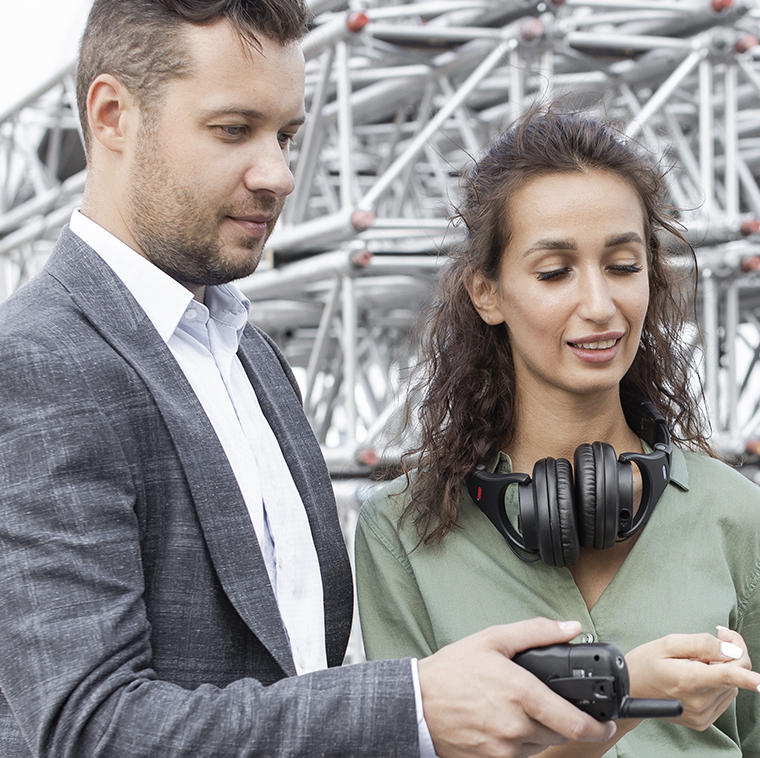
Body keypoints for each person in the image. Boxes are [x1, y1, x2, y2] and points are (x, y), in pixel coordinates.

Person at [0, 3, 620, 757]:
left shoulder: (253, 358)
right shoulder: (36, 364)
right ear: (111, 115)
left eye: (286, 136)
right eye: (234, 130)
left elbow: (294, 677)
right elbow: (91, 731)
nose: (279, 175)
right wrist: (414, 707)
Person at [355, 107, 760, 757]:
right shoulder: (400, 532)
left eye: (623, 266)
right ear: (487, 293)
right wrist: (628, 697)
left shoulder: (736, 514)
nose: (600, 306)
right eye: (554, 272)